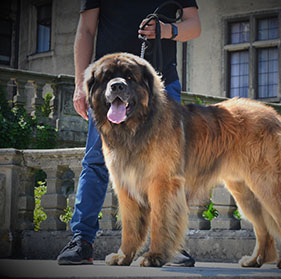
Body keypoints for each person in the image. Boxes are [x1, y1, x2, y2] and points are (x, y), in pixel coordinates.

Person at [57, 0, 201, 266]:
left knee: (169, 171)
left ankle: (168, 244)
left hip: (161, 85)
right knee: (96, 161)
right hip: (106, 85)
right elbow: (86, 30)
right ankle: (82, 240)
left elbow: (194, 25)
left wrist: (169, 30)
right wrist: (80, 84)